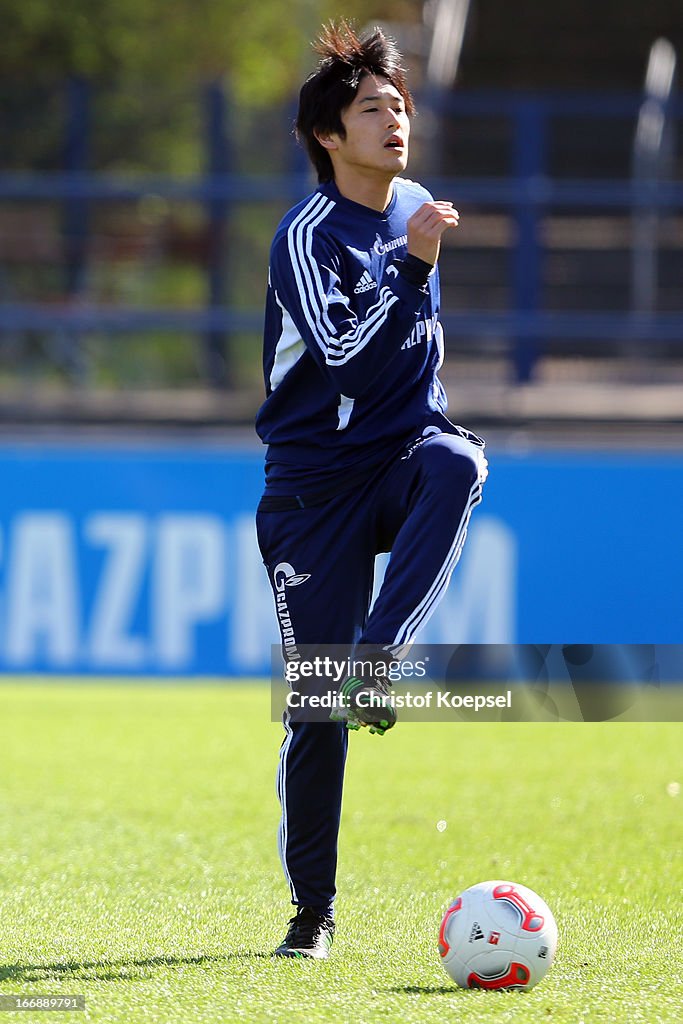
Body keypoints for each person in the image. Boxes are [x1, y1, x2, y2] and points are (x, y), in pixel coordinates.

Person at [255, 21, 488, 959]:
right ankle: (312, 914)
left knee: (458, 461)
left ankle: (379, 656)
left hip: (395, 462)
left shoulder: (415, 204)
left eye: (399, 106)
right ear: (327, 135)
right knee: (312, 711)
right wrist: (414, 263)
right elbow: (348, 363)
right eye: (371, 108)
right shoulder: (305, 236)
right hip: (311, 497)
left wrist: (415, 262)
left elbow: (415, 357)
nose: (394, 121)